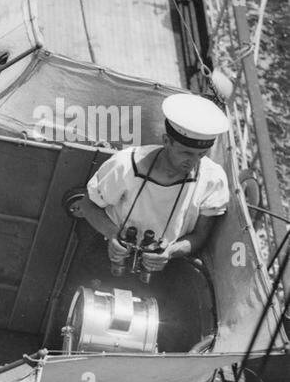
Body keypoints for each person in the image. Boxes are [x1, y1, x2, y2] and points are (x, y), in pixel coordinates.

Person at [70, 92, 230, 274]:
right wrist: (113, 235)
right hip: (106, 251)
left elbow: (200, 236)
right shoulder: (126, 165)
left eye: (201, 154)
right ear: (166, 141)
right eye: (186, 153)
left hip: (166, 266)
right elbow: (88, 204)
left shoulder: (213, 179)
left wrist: (169, 252)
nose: (193, 162)